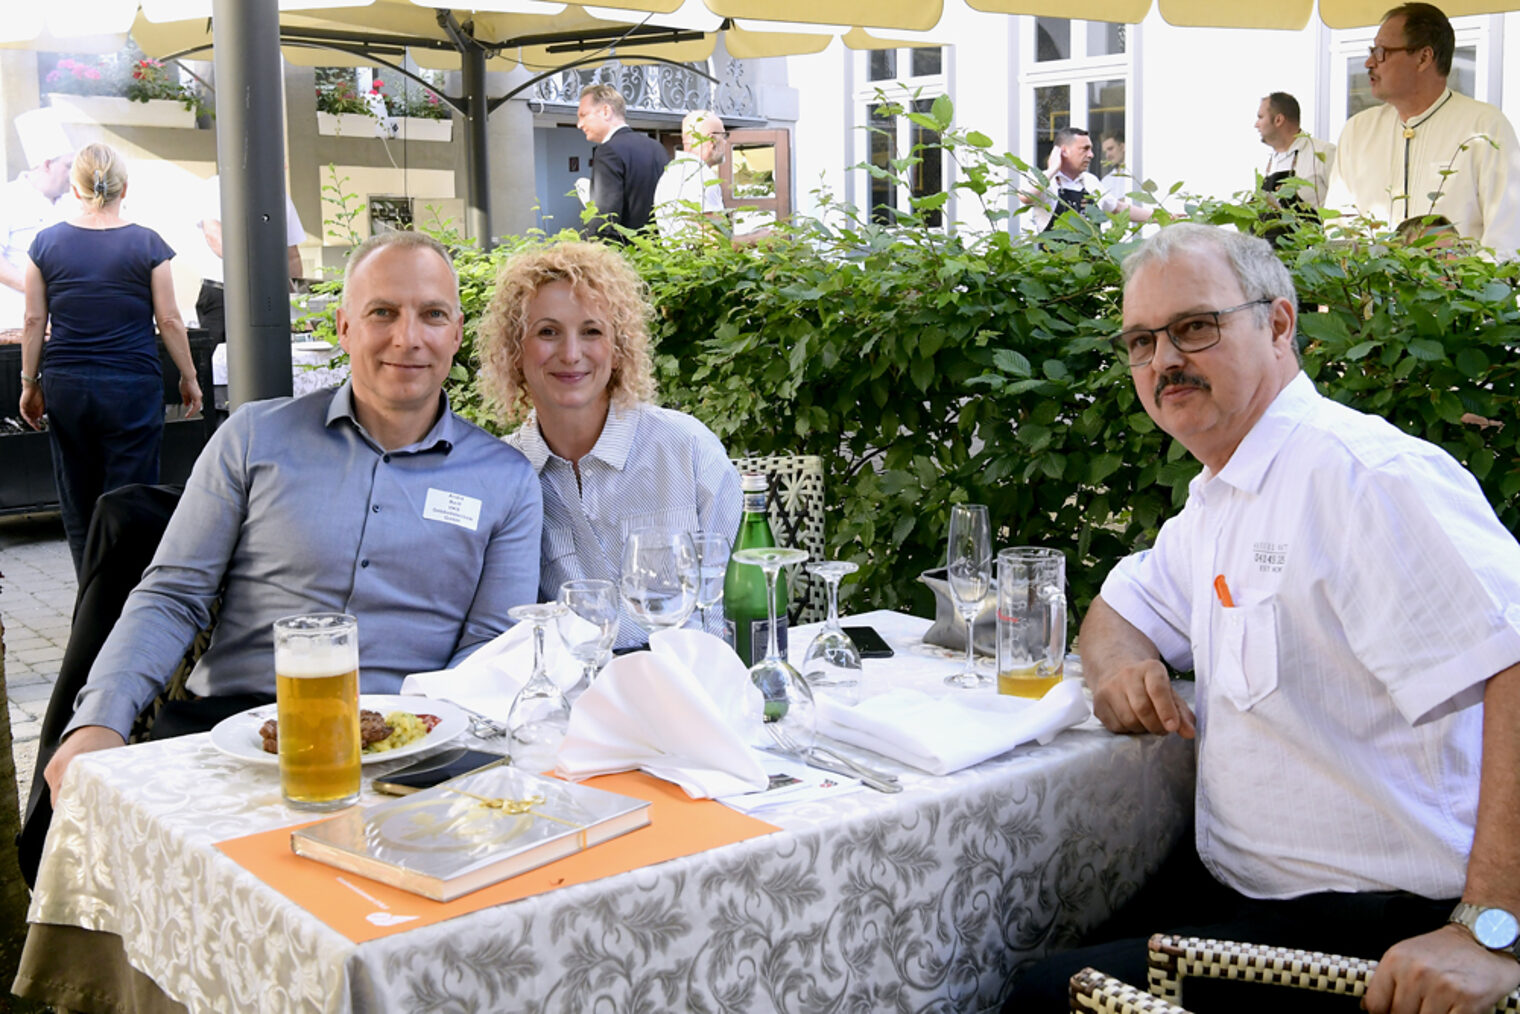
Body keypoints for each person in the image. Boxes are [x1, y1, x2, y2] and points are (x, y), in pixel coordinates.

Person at [1004, 223, 1520, 1014]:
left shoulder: (1361, 479)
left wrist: (1491, 929)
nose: (1164, 360)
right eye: (1142, 341)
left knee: (1050, 997)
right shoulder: (1223, 493)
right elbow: (1117, 609)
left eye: (1195, 327)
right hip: (1247, 894)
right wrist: (1119, 669)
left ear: (1279, 325)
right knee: (1016, 942)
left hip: (1381, 921)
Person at [42, 230, 543, 803]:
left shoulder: (506, 480)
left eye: (432, 315)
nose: (409, 338)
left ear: (455, 334)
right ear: (344, 327)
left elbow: (491, 643)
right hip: (233, 738)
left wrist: (418, 735)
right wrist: (99, 721)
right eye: (383, 312)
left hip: (409, 754)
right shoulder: (254, 437)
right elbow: (173, 596)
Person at [477, 240, 740, 648]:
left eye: (591, 331)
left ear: (617, 350)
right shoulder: (502, 475)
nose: (570, 353)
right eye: (547, 332)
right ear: (515, 352)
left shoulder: (688, 451)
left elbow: (735, 610)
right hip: (576, 696)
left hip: (688, 686)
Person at [18, 143, 204, 575]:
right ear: (126, 188)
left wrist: (30, 383)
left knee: (78, 494)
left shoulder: (44, 244)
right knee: (131, 494)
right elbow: (171, 320)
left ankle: (89, 598)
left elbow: (32, 320)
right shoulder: (149, 243)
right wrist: (188, 377)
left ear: (75, 188)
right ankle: (126, 601)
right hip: (132, 386)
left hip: (68, 385)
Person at [1325, 2, 1520, 257]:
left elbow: (1506, 240)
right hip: (1372, 295)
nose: (1369, 62)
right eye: (1372, 51)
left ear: (1424, 57)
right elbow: (1338, 230)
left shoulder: (1484, 127)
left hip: (1458, 295)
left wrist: (1461, 288)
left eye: (1382, 52)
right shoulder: (1358, 130)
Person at [196, 173, 306, 341]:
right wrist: (256, 275)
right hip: (224, 294)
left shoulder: (278, 193)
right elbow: (215, 237)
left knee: (272, 355)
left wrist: (296, 303)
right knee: (221, 358)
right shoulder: (216, 186)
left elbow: (291, 255)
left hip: (270, 295)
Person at [0, 109, 73, 328]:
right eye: (67, 166)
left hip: (65, 323)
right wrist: (37, 289)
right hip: (17, 319)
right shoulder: (8, 198)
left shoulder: (73, 203)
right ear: (47, 164)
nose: (73, 173)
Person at [576, 84, 670, 244]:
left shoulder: (608, 152)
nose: (579, 124)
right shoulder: (657, 148)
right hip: (659, 254)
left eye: (583, 115)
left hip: (627, 257)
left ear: (605, 111)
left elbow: (605, 221)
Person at [1025, 127, 1153, 233]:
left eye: (1090, 149)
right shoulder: (1046, 181)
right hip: (1057, 262)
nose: (1091, 155)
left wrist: (1158, 217)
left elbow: (1118, 208)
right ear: (1064, 151)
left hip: (1091, 261)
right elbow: (1025, 197)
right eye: (1085, 149)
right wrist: (1053, 168)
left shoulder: (1090, 181)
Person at [653, 109, 729, 241]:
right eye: (724, 136)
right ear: (712, 140)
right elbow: (716, 244)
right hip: (703, 260)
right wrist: (755, 239)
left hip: (676, 259)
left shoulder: (671, 171)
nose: (726, 142)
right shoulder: (701, 176)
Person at [1254, 91, 1335, 212]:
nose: (1256, 125)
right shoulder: (1266, 162)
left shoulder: (1324, 153)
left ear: (1278, 120)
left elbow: (1345, 204)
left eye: (1260, 117)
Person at [1098, 130, 1130, 204]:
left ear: (1122, 147)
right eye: (1105, 152)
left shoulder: (1135, 175)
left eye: (1110, 149)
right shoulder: (1106, 181)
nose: (1107, 155)